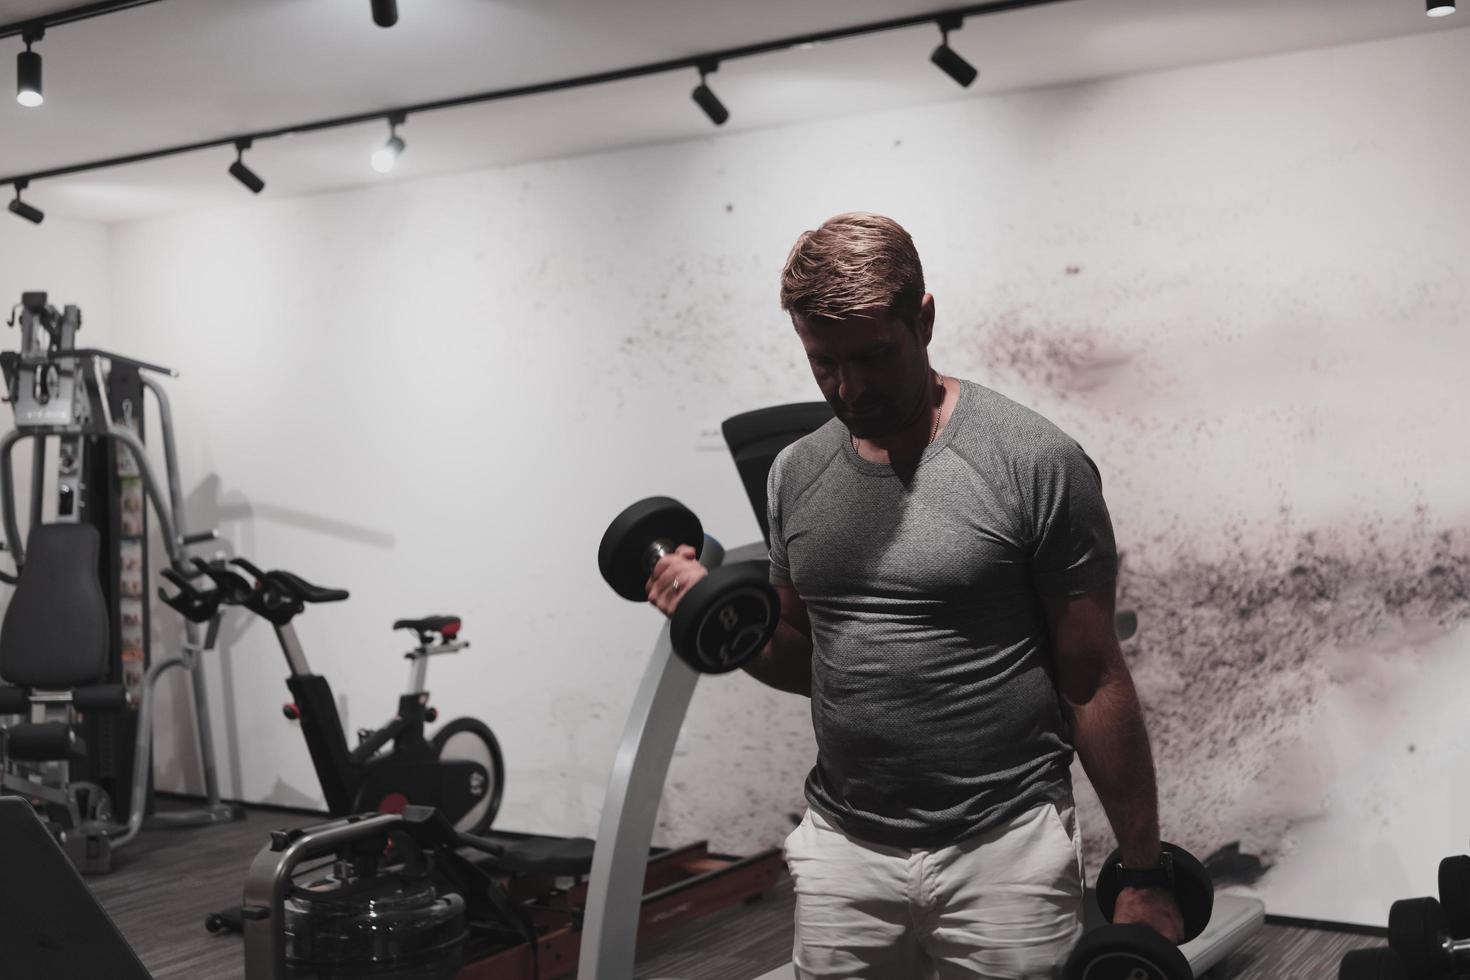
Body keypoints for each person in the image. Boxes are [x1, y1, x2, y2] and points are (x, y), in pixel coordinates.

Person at [645, 213, 1181, 979]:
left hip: (1005, 845)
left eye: (873, 357)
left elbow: (1092, 675)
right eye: (823, 362)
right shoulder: (795, 474)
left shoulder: (1036, 462)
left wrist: (1146, 871)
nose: (849, 388)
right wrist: (712, 615)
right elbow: (806, 659)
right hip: (843, 848)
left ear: (923, 318)